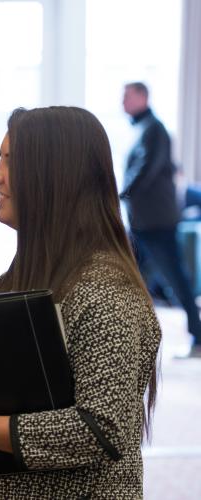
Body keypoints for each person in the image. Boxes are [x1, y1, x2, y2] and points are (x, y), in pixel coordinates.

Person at [0, 106, 161, 498]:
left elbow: (101, 428)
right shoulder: (25, 274)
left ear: (55, 177)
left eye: (10, 162)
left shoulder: (105, 291)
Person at [121, 82, 201, 356]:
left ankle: (199, 335)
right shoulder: (143, 129)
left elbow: (146, 169)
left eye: (127, 97)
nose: (123, 103)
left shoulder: (154, 130)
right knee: (134, 280)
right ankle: (131, 338)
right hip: (144, 222)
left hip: (157, 222)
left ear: (142, 97)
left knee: (175, 279)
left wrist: (120, 193)